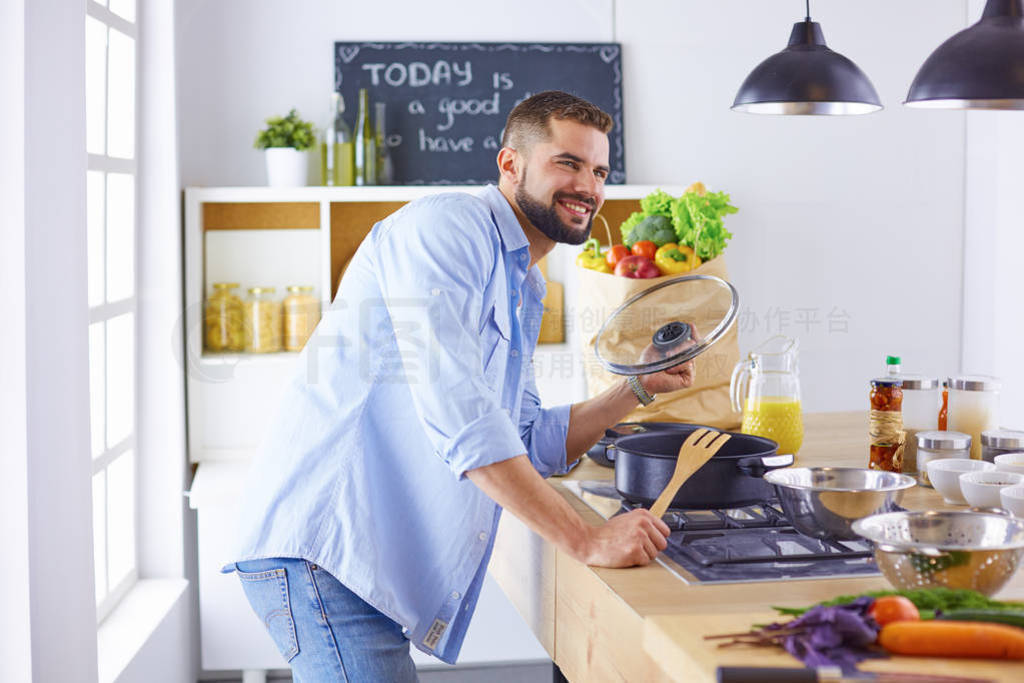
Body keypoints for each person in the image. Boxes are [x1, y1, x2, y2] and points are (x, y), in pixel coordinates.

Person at [225, 91, 696, 682]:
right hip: (325, 553)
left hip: (354, 562)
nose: (589, 186)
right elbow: (463, 416)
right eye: (568, 163)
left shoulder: (523, 281)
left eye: (599, 170)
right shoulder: (448, 229)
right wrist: (587, 540)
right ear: (510, 165)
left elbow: (526, 437)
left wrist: (635, 388)